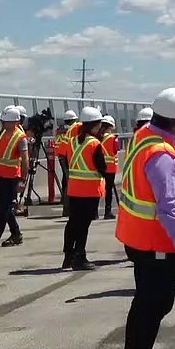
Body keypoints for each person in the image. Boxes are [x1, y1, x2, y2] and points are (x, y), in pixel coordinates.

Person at [117, 88, 175, 349]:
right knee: (156, 305)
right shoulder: (161, 154)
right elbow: (169, 206)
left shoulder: (143, 136)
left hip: (138, 238)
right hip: (158, 244)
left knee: (145, 303)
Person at [63, 106, 107, 271]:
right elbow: (102, 167)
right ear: (95, 126)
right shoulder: (95, 143)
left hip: (74, 188)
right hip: (89, 190)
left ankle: (68, 255)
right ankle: (80, 256)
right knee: (83, 225)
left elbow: (68, 163)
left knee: (73, 223)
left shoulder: (73, 141)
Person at [0, 105, 29, 251]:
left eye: (5, 121)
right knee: (6, 207)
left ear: (14, 122)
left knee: (4, 208)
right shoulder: (1, 134)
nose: (3, 123)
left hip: (12, 178)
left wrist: (23, 180)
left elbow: (25, 160)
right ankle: (16, 234)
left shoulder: (20, 137)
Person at [54, 109, 79, 217]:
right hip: (68, 156)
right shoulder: (73, 129)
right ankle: (68, 209)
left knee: (66, 179)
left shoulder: (59, 129)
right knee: (70, 182)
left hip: (60, 155)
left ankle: (65, 205)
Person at [102, 115, 120, 220]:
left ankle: (94, 213)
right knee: (108, 191)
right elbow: (115, 150)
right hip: (111, 168)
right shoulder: (113, 138)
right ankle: (107, 211)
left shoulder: (97, 137)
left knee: (99, 189)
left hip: (100, 167)